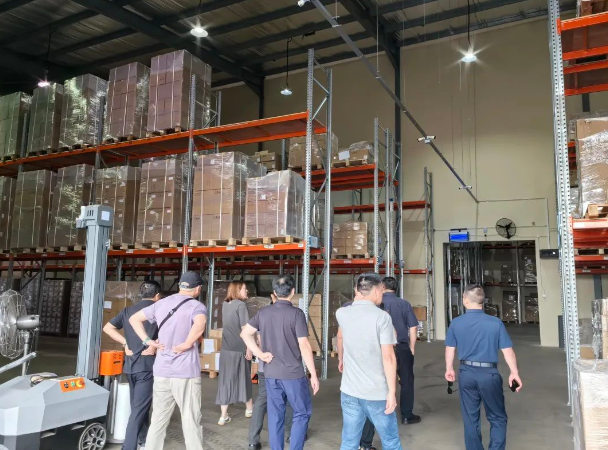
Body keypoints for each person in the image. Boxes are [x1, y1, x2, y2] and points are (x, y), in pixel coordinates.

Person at [129, 271, 207, 450]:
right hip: (185, 372)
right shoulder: (196, 306)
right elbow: (200, 323)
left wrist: (148, 341)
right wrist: (187, 343)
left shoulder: (161, 303)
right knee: (191, 419)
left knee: (158, 420)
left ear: (180, 286)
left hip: (162, 371)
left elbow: (134, 319)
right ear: (198, 288)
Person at [241, 274, 319, 450]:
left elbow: (245, 334)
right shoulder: (296, 314)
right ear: (293, 291)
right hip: (293, 375)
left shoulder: (263, 313)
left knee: (276, 416)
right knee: (302, 412)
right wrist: (313, 374)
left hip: (271, 374)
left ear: (274, 292)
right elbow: (304, 345)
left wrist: (260, 354)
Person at [445, 284, 523, 450]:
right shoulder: (495, 323)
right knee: (497, 417)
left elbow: (450, 348)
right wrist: (514, 373)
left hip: (466, 374)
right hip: (489, 374)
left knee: (470, 418)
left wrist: (449, 369)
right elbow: (508, 351)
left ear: (465, 300)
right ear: (482, 301)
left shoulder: (456, 323)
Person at [336, 272, 402, 450]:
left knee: (349, 442)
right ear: (376, 291)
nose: (382, 294)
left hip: (349, 391)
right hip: (376, 393)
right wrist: (392, 392)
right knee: (391, 442)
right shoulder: (382, 317)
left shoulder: (342, 313)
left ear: (357, 291)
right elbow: (388, 357)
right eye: (381, 290)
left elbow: (342, 337)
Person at [102, 280, 162, 450]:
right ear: (157, 296)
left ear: (141, 294)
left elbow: (108, 328)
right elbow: (169, 333)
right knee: (139, 409)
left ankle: (143, 439)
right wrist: (154, 345)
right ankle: (128, 446)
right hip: (147, 367)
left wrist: (125, 343)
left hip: (130, 367)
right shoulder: (158, 311)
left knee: (140, 405)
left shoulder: (127, 311)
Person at [339, 290, 377, 450]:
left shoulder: (345, 310)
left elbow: (340, 337)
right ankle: (365, 444)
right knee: (369, 403)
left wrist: (341, 358)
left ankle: (352, 443)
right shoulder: (376, 310)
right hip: (370, 366)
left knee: (352, 405)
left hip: (352, 365)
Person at [381, 276, 421, 425]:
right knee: (406, 380)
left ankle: (381, 414)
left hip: (382, 349)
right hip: (401, 347)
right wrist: (412, 347)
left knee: (382, 380)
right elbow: (413, 327)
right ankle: (406, 415)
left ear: (382, 287)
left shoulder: (377, 303)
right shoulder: (404, 304)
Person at [216, 281, 254, 425]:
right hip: (240, 348)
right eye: (244, 289)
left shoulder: (225, 304)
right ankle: (249, 409)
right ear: (237, 290)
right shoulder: (241, 305)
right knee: (244, 377)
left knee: (226, 380)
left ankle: (223, 416)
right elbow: (245, 330)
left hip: (226, 348)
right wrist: (249, 348)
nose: (246, 291)